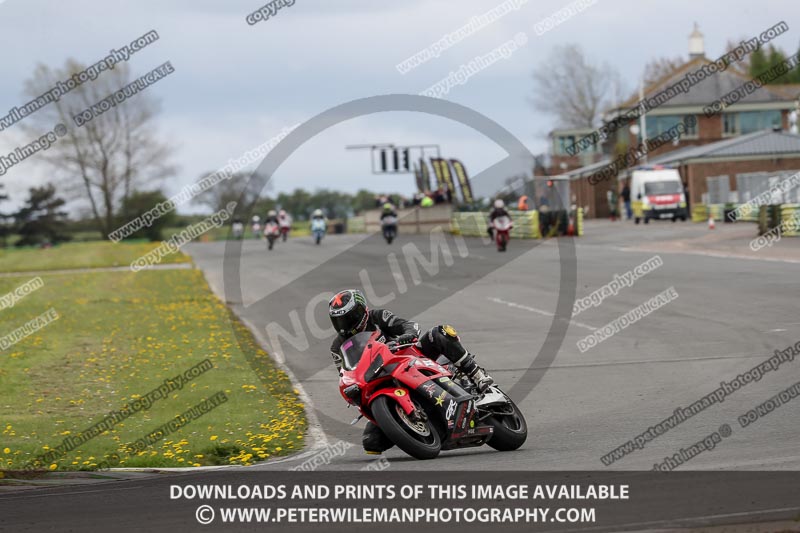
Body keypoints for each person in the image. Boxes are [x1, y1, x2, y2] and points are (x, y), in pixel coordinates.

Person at [327, 289, 495, 454]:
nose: (344, 325)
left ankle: (477, 375)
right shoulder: (337, 347)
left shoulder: (377, 317)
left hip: (410, 359)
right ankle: (413, 427)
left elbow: (409, 326)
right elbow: (347, 372)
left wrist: (405, 336)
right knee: (371, 442)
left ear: (362, 311)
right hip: (381, 381)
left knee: (439, 333)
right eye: (339, 321)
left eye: (349, 317)